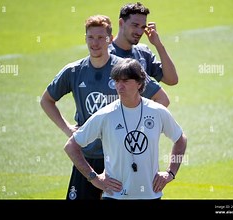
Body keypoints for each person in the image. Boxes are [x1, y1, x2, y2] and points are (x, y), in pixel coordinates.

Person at [40, 15, 170, 200]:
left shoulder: (125, 68)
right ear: (85, 38)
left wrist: (137, 126)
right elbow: (46, 100)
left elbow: (162, 99)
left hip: (121, 158)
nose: (95, 43)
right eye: (90, 37)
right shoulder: (74, 71)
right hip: (88, 156)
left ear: (109, 39)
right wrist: (67, 129)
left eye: (101, 37)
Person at [64, 58, 187, 199]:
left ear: (139, 83)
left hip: (150, 195)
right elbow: (71, 146)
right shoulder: (105, 115)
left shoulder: (157, 111)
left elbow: (180, 138)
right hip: (115, 196)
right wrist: (94, 178)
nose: (119, 86)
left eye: (126, 81)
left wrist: (170, 173)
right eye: (117, 81)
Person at [109, 2, 178, 86]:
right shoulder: (105, 54)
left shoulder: (143, 53)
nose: (139, 32)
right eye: (135, 25)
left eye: (143, 27)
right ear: (121, 23)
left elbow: (172, 79)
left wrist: (158, 45)